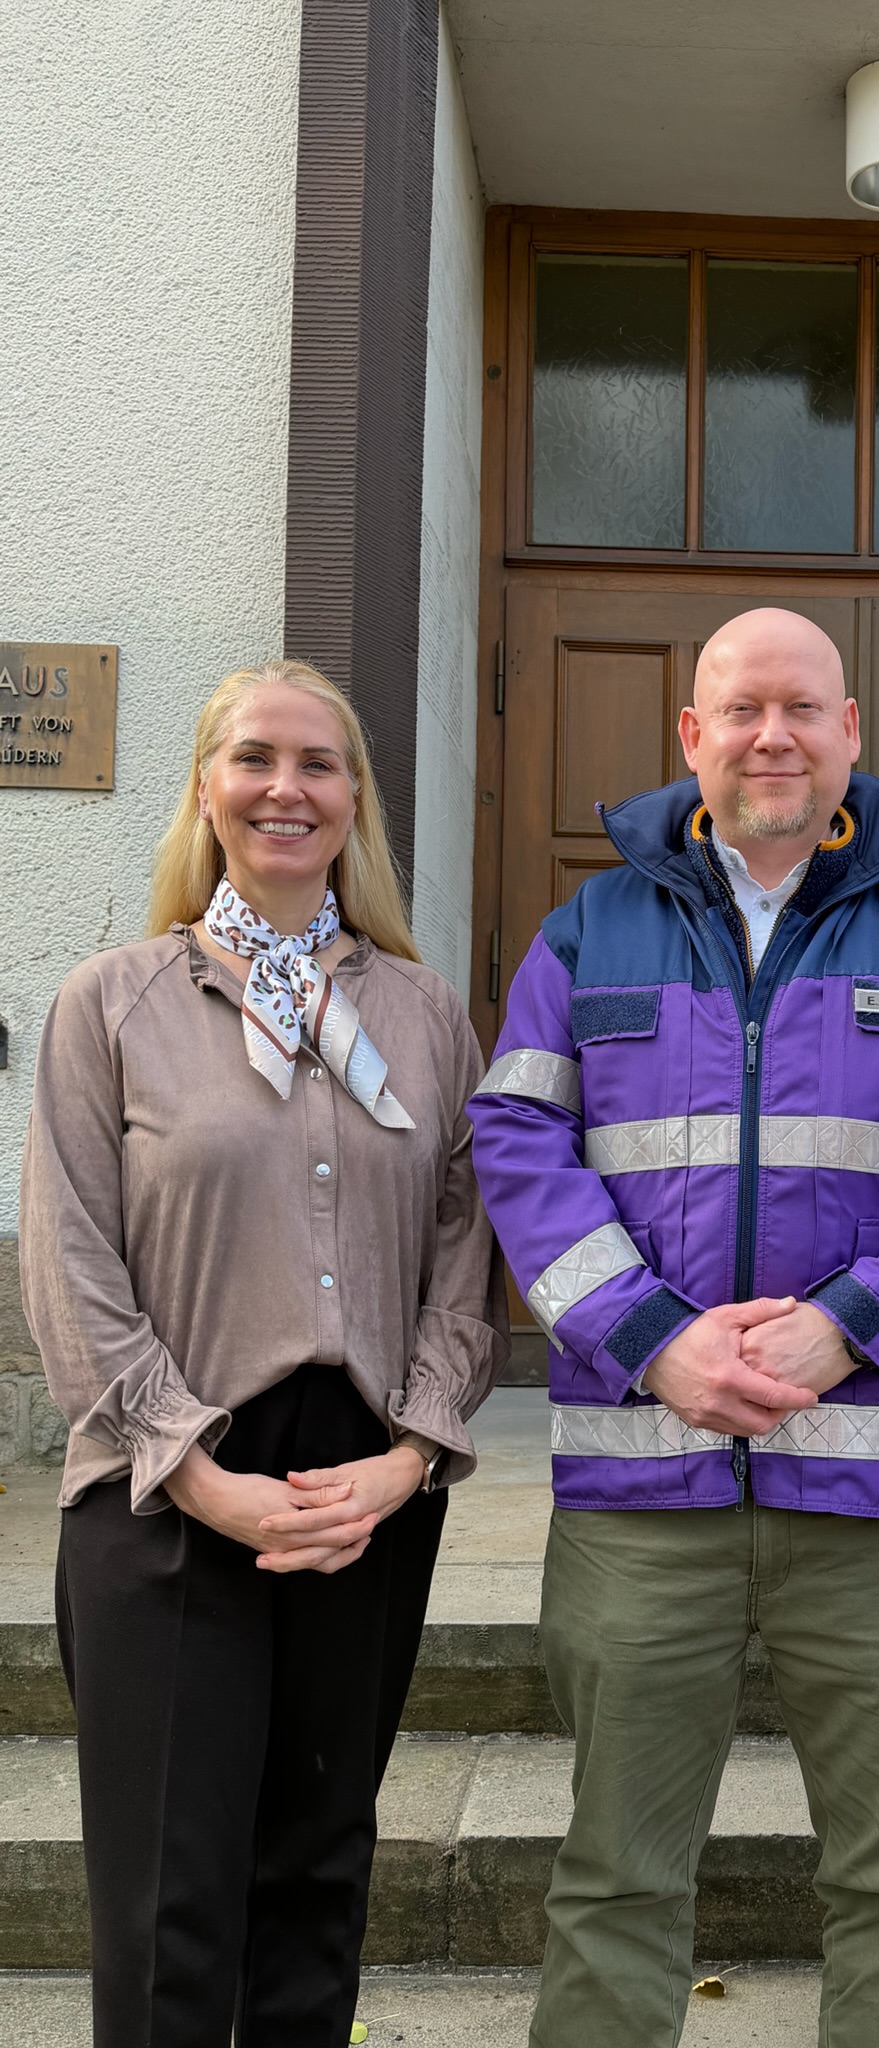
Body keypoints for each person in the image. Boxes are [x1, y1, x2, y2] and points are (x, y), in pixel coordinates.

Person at [469, 606, 879, 2047]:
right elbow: (518, 1147)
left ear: (852, 731)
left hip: (874, 1494)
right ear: (691, 735)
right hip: (642, 1487)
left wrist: (846, 1329)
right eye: (741, 709)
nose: (773, 735)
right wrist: (651, 1338)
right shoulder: (585, 932)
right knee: (615, 1878)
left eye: (803, 707)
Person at [20, 658, 506, 2048]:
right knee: (170, 1909)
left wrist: (411, 1457)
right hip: (168, 1490)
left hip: (362, 1494)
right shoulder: (114, 1003)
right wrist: (192, 1470)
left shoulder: (419, 1017)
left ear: (357, 801)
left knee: (315, 1880)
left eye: (320, 763)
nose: (287, 788)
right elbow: (71, 1262)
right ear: (206, 790)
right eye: (255, 759)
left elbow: (463, 1247)